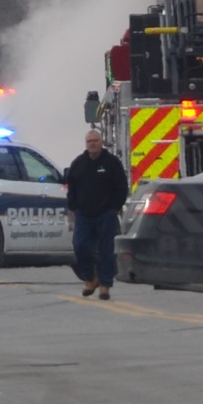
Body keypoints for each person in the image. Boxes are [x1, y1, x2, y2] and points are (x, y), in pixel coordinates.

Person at [65, 127, 130, 300]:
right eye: (89, 142)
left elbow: (122, 187)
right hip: (84, 215)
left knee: (106, 251)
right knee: (80, 247)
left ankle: (105, 285)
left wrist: (114, 207)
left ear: (101, 143)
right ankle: (90, 278)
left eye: (95, 141)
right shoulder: (78, 163)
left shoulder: (112, 162)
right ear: (86, 144)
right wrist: (73, 207)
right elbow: (71, 187)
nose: (92, 144)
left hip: (106, 215)